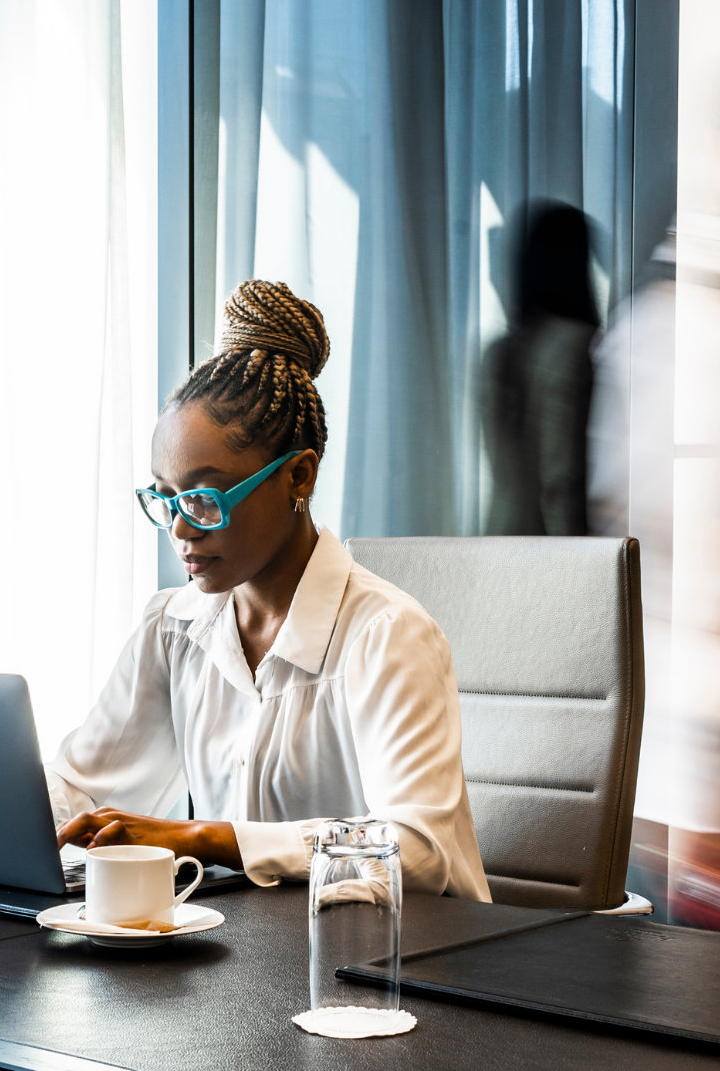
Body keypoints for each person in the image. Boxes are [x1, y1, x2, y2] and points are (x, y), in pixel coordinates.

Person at [51, 279, 490, 898]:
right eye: (166, 497)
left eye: (204, 498)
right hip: (256, 962)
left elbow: (417, 851)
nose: (180, 527)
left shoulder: (387, 636)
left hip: (406, 965)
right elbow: (85, 789)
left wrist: (212, 839)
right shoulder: (173, 628)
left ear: (298, 476)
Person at [479, 200, 599, 535]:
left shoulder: (498, 352)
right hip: (550, 546)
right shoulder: (575, 346)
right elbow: (562, 475)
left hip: (498, 538)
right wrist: (579, 563)